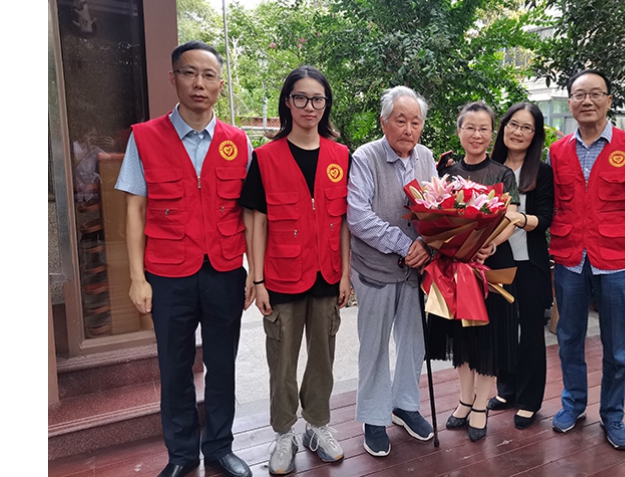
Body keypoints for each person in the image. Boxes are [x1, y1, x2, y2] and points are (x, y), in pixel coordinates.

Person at [115, 40, 254, 477]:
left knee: (222, 366)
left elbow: (250, 212)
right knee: (174, 367)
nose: (199, 83)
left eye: (209, 75)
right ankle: (181, 454)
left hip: (225, 271)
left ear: (220, 85)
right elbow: (135, 210)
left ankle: (219, 447)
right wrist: (137, 278)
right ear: (172, 78)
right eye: (190, 73)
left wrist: (256, 273)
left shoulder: (238, 141)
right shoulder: (145, 137)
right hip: (167, 274)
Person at [238, 66, 351, 475]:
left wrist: (345, 274)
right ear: (287, 101)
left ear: (326, 104)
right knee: (282, 363)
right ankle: (284, 432)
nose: (309, 106)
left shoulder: (341, 156)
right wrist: (257, 279)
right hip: (281, 277)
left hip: (327, 275)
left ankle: (317, 425)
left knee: (323, 358)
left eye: (317, 99)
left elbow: (344, 221)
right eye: (300, 97)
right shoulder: (265, 158)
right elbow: (256, 222)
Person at [548, 69, 625, 450]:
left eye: (595, 93)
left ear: (609, 101)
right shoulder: (557, 151)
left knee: (616, 345)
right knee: (569, 337)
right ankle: (573, 404)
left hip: (616, 262)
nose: (587, 101)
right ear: (570, 103)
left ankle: (613, 415)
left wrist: (619, 237)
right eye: (579, 95)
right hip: (570, 258)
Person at [347, 86, 437, 457]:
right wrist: (405, 245)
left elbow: (436, 207)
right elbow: (358, 217)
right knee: (374, 346)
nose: (408, 129)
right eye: (401, 120)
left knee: (414, 342)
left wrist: (429, 244)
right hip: (374, 269)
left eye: (415, 122)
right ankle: (373, 416)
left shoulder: (426, 157)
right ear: (384, 122)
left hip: (416, 271)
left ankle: (405, 405)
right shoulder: (365, 157)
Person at [428, 101, 520, 442]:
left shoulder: (503, 173)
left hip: (491, 263)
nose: (477, 134)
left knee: (488, 338)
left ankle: (481, 404)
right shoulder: (447, 174)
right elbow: (436, 215)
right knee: (462, 337)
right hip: (455, 265)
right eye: (470, 127)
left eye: (484, 129)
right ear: (459, 131)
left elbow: (511, 217)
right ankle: (465, 400)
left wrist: (488, 243)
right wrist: (452, 242)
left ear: (491, 134)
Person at [486, 102, 555, 430]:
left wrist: (518, 218)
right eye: (513, 124)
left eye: (526, 127)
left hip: (529, 262)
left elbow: (545, 218)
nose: (518, 132)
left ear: (535, 135)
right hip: (495, 259)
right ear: (504, 127)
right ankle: (506, 390)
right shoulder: (490, 167)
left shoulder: (541, 171)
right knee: (501, 328)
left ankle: (529, 400)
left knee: (529, 332)